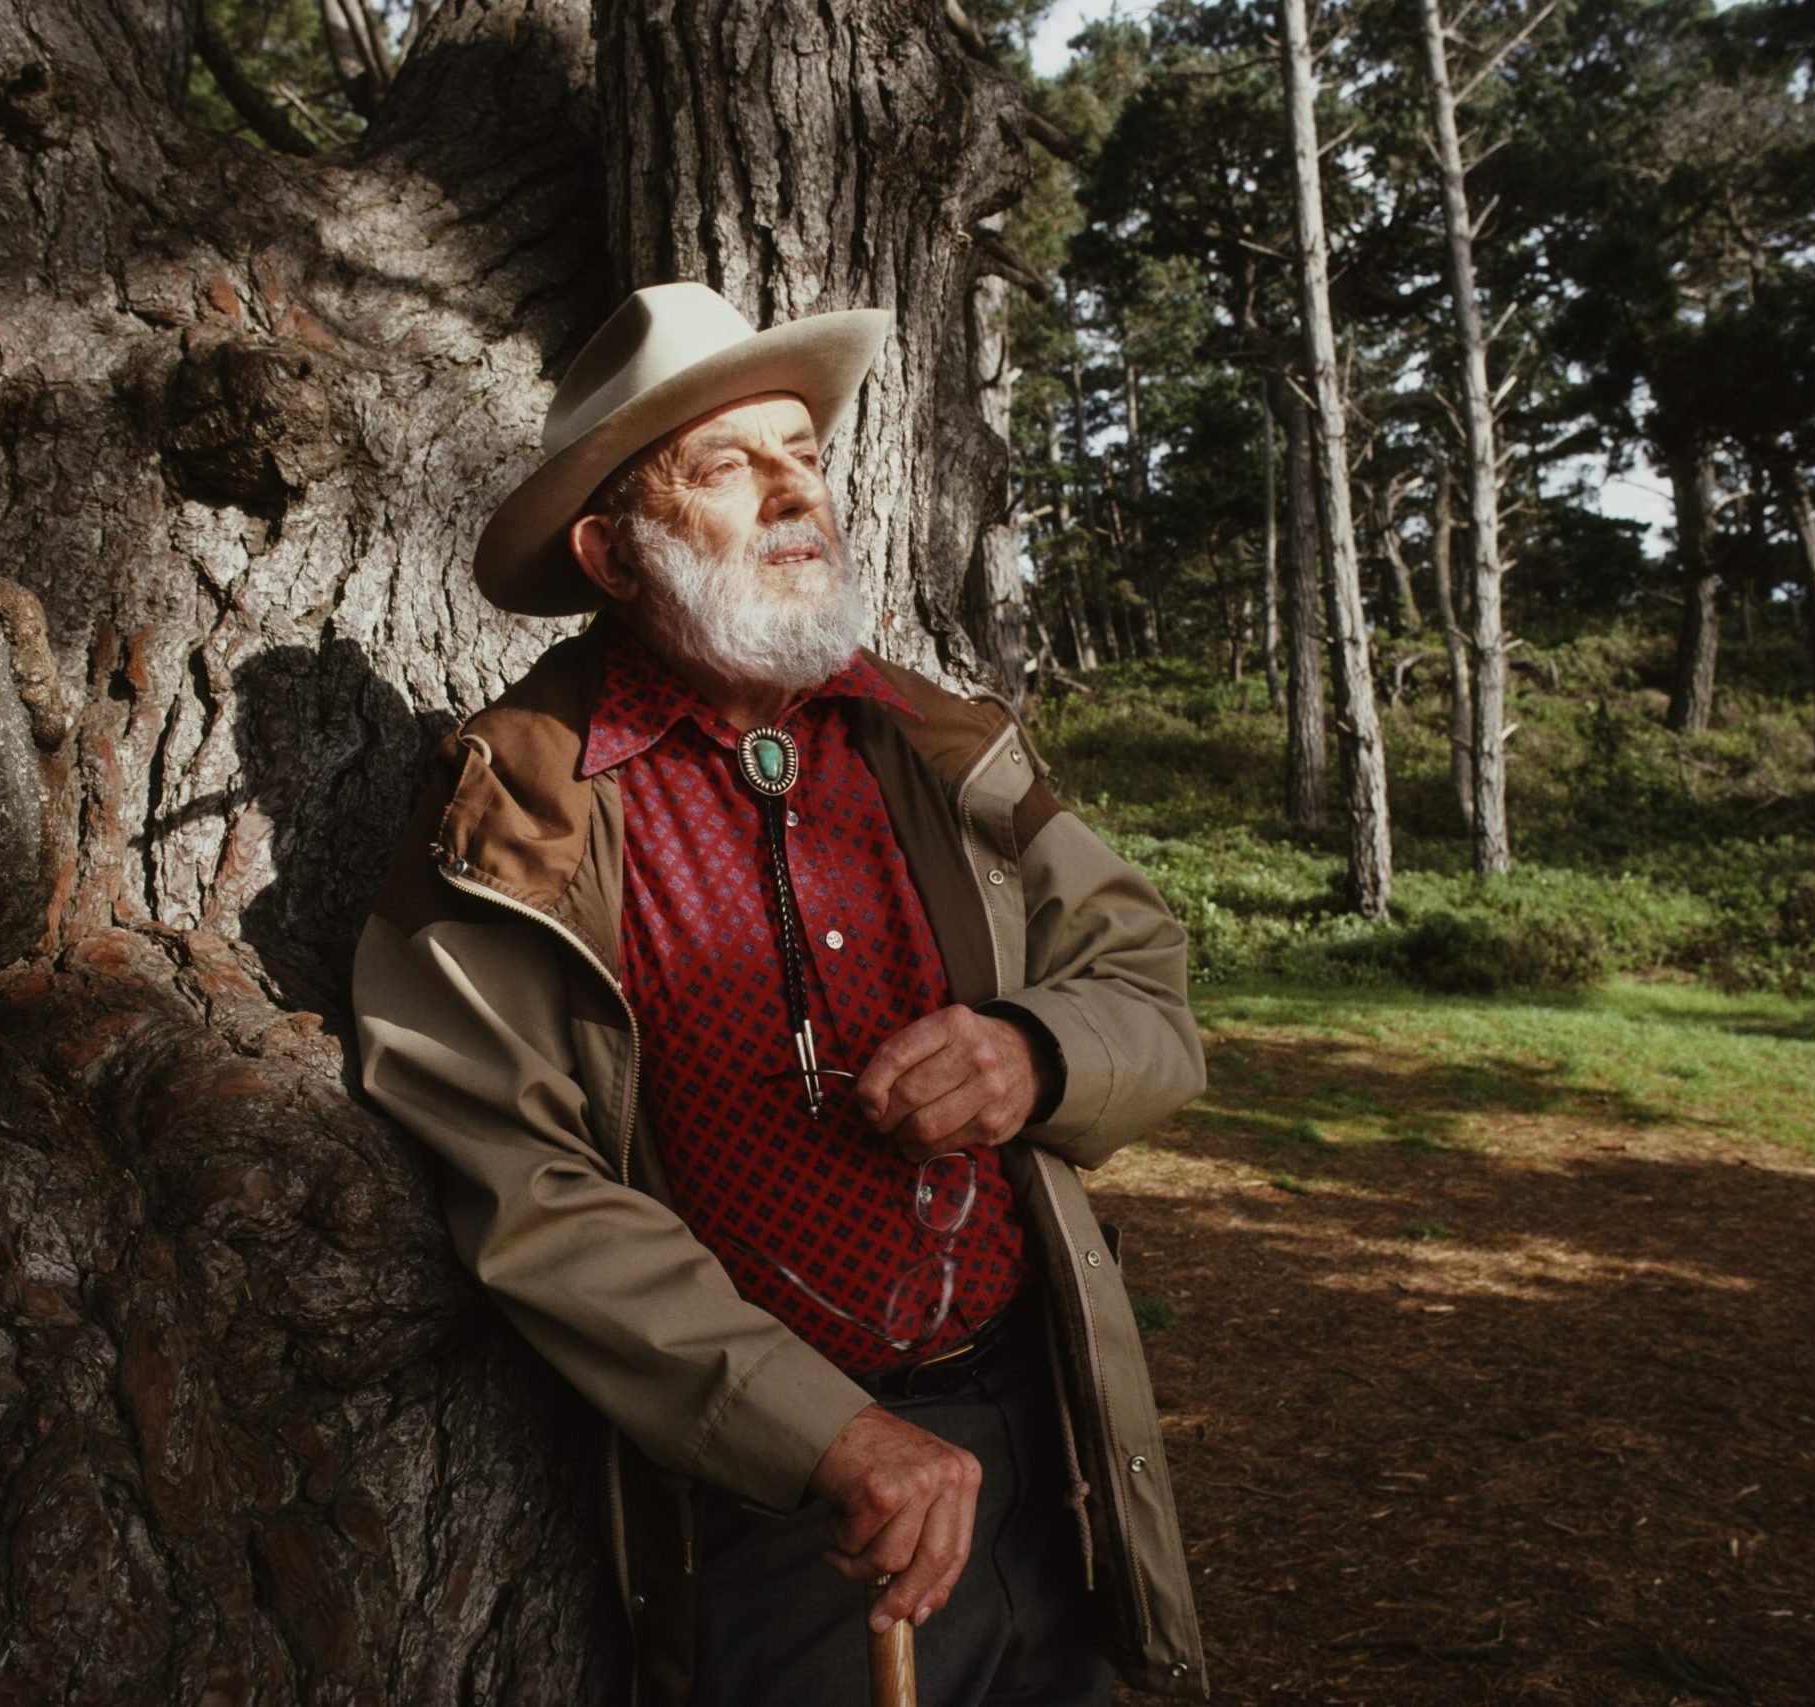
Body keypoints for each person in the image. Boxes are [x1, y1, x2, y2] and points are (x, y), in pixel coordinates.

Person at [352, 283, 1208, 1704]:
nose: (794, 489)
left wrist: (1036, 1055)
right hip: (778, 1504)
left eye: (803, 450)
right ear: (611, 552)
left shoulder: (939, 743)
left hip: (1040, 1429)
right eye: (728, 464)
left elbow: (1148, 991)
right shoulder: (521, 808)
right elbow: (530, 1195)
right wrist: (828, 1434)